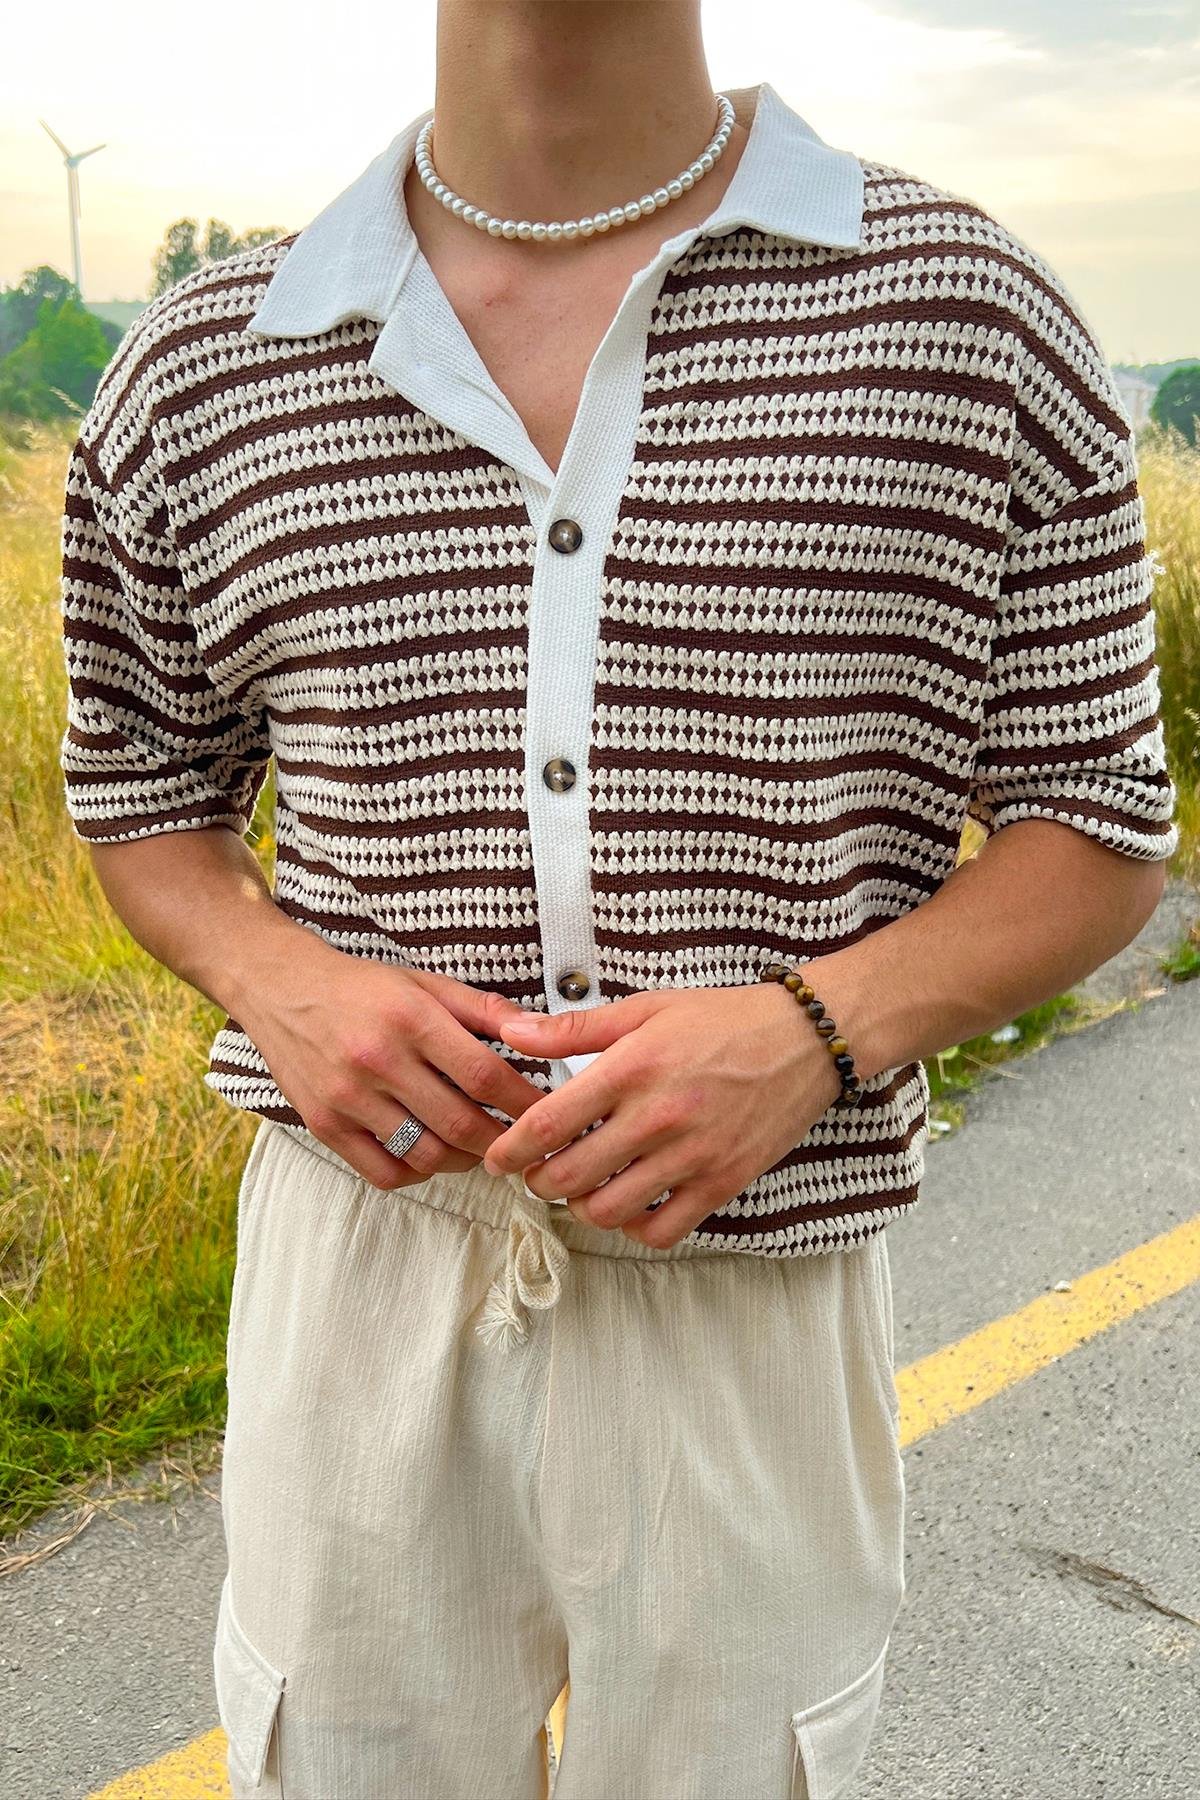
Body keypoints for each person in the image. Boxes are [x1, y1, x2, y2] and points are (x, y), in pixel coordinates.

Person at [57, 2, 1177, 1795]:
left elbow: (1104, 823)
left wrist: (823, 1027)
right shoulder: (206, 359)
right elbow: (141, 802)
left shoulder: (966, 319)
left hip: (756, 1288)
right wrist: (274, 979)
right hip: (362, 1275)